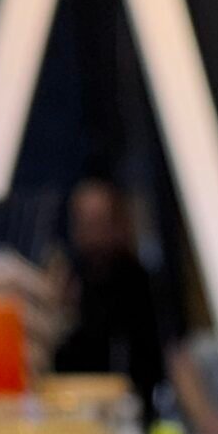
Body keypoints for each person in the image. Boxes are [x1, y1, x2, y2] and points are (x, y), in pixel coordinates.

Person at [53, 176, 165, 416]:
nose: (93, 236)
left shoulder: (142, 285)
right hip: (70, 409)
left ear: (119, 225)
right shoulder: (64, 281)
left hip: (131, 411)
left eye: (100, 222)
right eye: (85, 224)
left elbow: (168, 355)